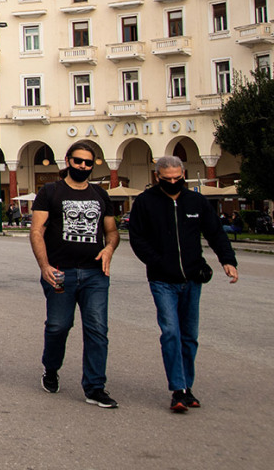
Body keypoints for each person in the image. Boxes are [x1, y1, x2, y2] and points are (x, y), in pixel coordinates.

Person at [128, 156, 239, 413]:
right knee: (170, 333)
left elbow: (215, 232)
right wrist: (158, 263)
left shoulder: (196, 201)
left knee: (189, 337)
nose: (173, 182)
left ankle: (187, 388)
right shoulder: (146, 202)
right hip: (162, 280)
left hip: (191, 278)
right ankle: (177, 389)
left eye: (178, 178)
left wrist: (228, 260)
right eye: (168, 179)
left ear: (183, 174)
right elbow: (137, 239)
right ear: (158, 177)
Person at [30, 140, 120, 409]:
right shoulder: (50, 191)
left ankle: (94, 387)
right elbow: (37, 231)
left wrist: (109, 249)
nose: (83, 166)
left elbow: (112, 232)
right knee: (58, 326)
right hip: (60, 272)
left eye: (88, 163)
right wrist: (44, 266)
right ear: (68, 160)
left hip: (95, 274)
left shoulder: (100, 195)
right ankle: (51, 368)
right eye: (78, 161)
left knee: (97, 330)